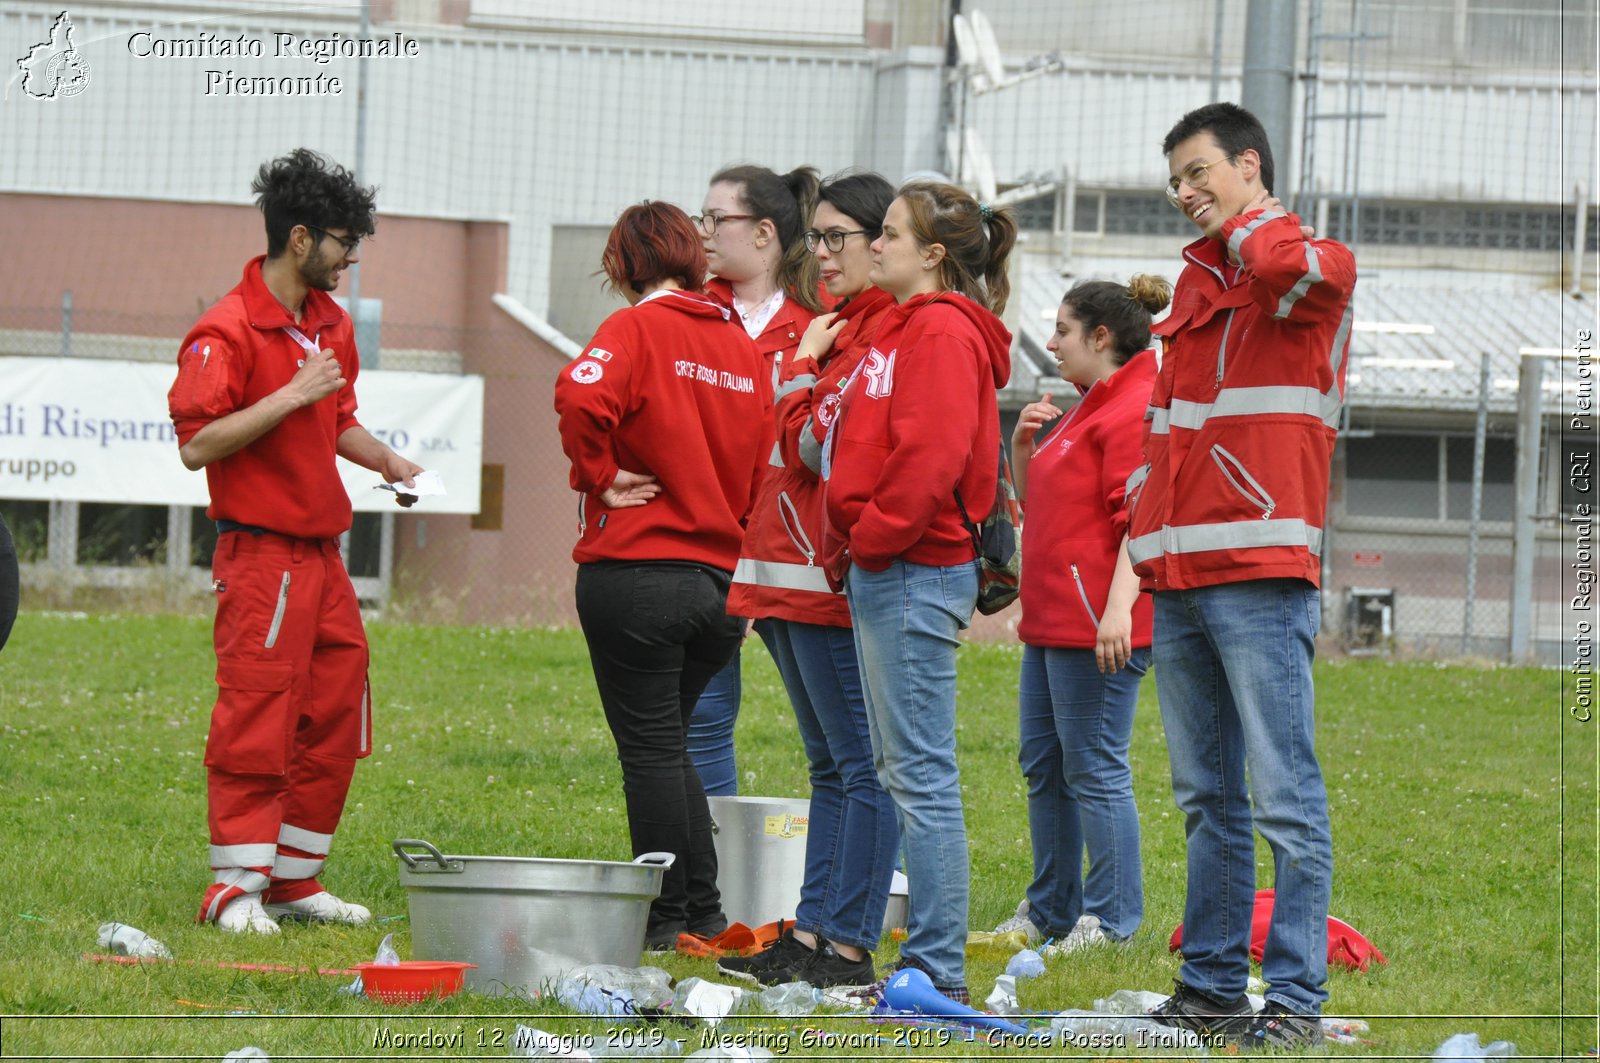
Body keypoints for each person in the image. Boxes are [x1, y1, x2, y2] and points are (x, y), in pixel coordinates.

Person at [1132, 102, 1355, 1052]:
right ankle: (1213, 985)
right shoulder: (1192, 288)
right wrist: (1147, 542)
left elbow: (1283, 268)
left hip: (1260, 569)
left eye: (1201, 172)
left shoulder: (1306, 264)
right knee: (1205, 797)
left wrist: (1246, 218)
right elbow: (1164, 429)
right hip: (1180, 571)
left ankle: (1295, 1004)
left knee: (1283, 795)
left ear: (1250, 166)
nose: (1186, 193)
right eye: (1176, 180)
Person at [167, 148, 422, 934]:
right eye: (347, 241)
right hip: (261, 557)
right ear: (302, 238)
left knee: (335, 712)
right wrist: (290, 393)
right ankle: (234, 887)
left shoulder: (329, 323)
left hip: (323, 558)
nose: (352, 258)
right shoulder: (225, 330)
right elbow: (197, 444)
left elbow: (335, 418)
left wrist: (387, 459)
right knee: (259, 714)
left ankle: (294, 879)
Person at [554, 201, 771, 949]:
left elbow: (581, 393)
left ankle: (663, 918)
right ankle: (703, 912)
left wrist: (600, 473)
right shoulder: (742, 346)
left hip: (639, 571)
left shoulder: (636, 327)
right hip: (719, 583)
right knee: (670, 743)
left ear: (622, 264)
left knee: (648, 749)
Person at [822, 181, 1015, 1004]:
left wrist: (868, 537)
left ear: (933, 254)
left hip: (908, 565)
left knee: (921, 774)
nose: (877, 244)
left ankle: (935, 969)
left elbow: (930, 459)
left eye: (892, 233)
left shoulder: (938, 329)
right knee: (906, 768)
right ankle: (928, 965)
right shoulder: (905, 327)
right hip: (891, 564)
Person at [719, 172, 900, 988]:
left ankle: (847, 942)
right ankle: (815, 928)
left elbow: (817, 448)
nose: (823, 255)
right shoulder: (838, 328)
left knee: (865, 765)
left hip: (828, 579)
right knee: (831, 765)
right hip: (783, 575)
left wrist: (798, 369)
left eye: (841, 240)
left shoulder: (877, 335)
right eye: (816, 239)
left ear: (886, 241)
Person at [993, 276, 1170, 958]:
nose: (1053, 343)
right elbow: (1047, 513)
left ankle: (1112, 919)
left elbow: (1141, 519)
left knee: (1093, 764)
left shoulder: (1130, 409)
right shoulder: (1086, 408)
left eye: (1063, 331)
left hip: (1097, 627)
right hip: (1051, 624)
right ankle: (1051, 907)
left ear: (1101, 337)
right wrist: (1019, 452)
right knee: (1044, 762)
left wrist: (1119, 606)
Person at [684, 164, 823, 797]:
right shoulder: (685, 314)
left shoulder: (821, 324)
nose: (704, 233)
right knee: (704, 719)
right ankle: (709, 883)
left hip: (792, 551)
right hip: (703, 548)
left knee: (838, 731)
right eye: (701, 219)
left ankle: (879, 880)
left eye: (718, 219)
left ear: (764, 231)